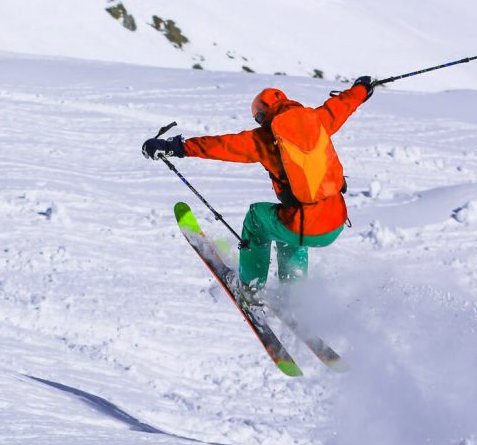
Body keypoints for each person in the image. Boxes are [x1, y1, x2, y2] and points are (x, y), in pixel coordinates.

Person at [142, 77, 375, 295]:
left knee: (256, 218)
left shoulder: (264, 139)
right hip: (335, 222)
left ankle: (250, 288)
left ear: (263, 115)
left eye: (258, 119)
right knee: (287, 223)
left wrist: (175, 147)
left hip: (306, 226)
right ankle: (294, 293)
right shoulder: (319, 119)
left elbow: (220, 145)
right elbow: (344, 103)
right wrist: (362, 88)